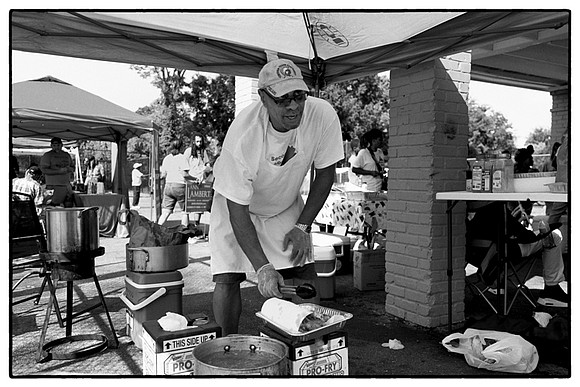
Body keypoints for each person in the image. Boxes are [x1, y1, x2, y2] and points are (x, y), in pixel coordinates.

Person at [209, 58, 343, 335]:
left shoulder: (323, 116)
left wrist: (302, 226)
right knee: (228, 276)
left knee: (303, 269)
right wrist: (263, 268)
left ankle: (308, 341)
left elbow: (325, 175)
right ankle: (226, 346)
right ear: (264, 98)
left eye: (298, 96)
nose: (293, 106)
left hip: (284, 204)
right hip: (236, 206)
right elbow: (237, 210)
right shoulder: (244, 136)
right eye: (282, 99)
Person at [467, 201, 568, 307]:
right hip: (500, 254)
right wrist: (541, 233)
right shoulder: (496, 208)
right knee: (554, 236)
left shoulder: (461, 206)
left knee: (502, 239)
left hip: (473, 254)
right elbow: (524, 237)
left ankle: (498, 282)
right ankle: (551, 289)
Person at [157, 139, 197, 225]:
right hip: (179, 186)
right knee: (185, 211)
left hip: (168, 186)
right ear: (181, 147)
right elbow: (185, 174)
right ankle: (184, 232)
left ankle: (156, 230)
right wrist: (195, 179)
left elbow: (163, 175)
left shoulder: (166, 158)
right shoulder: (182, 158)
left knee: (166, 211)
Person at [40, 137, 75, 206]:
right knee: (53, 205)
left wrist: (70, 169)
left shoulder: (66, 155)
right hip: (53, 186)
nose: (56, 147)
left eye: (58, 145)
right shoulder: (47, 155)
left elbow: (72, 167)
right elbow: (44, 170)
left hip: (66, 185)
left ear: (61, 145)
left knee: (68, 205)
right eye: (54, 145)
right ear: (51, 145)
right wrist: (59, 171)